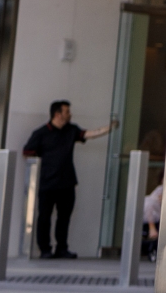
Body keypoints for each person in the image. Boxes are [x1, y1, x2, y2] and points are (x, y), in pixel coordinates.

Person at [22, 100, 114, 260]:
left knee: (64, 218)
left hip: (67, 182)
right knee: (44, 217)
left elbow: (88, 134)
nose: (70, 114)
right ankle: (44, 249)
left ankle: (61, 248)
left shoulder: (71, 130)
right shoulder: (41, 133)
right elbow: (27, 151)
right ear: (58, 114)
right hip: (47, 183)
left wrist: (109, 128)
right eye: (67, 112)